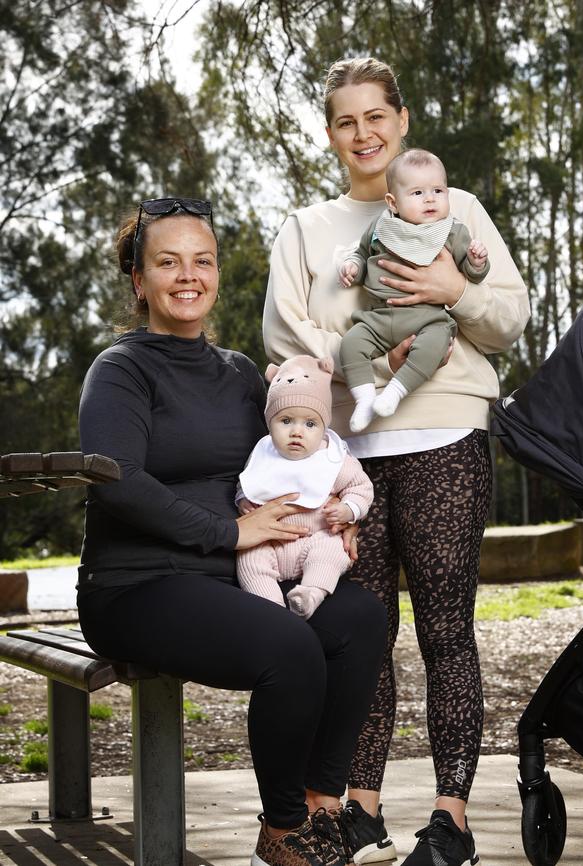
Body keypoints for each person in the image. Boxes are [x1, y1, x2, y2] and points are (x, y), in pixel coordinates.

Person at [263, 58, 530, 866]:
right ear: (331, 134)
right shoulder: (307, 229)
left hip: (446, 440)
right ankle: (363, 809)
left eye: (376, 116)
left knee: (447, 634)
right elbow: (284, 339)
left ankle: (452, 819)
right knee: (363, 637)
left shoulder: (461, 209)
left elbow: (509, 318)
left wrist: (455, 289)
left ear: (402, 120)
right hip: (348, 462)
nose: (364, 134)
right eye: (346, 121)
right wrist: (366, 367)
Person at [76, 197, 388, 866]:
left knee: (360, 618)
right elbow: (119, 480)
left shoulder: (241, 373)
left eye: (202, 261)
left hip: (225, 575)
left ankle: (316, 809)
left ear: (216, 272)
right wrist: (231, 532)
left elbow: (294, 453)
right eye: (167, 262)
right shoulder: (120, 370)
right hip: (136, 585)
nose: (188, 276)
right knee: (289, 646)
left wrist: (333, 512)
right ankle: (282, 834)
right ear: (139, 280)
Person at [338, 148, 489, 432]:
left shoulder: (452, 232)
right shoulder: (380, 227)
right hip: (379, 316)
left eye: (438, 190)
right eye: (418, 193)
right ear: (392, 202)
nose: (430, 198)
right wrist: (353, 267)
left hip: (427, 319)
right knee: (351, 344)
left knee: (436, 346)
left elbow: (471, 275)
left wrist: (477, 261)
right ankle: (364, 398)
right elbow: (361, 253)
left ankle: (395, 392)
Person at [237, 353, 374, 619]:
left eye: (310, 424)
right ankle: (270, 608)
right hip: (270, 540)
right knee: (249, 557)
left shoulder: (333, 459)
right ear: (270, 423)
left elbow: (361, 489)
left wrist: (348, 510)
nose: (297, 432)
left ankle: (310, 593)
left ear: (323, 427)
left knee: (333, 550)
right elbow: (247, 482)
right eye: (285, 421)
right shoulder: (264, 453)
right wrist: (244, 501)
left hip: (316, 536)